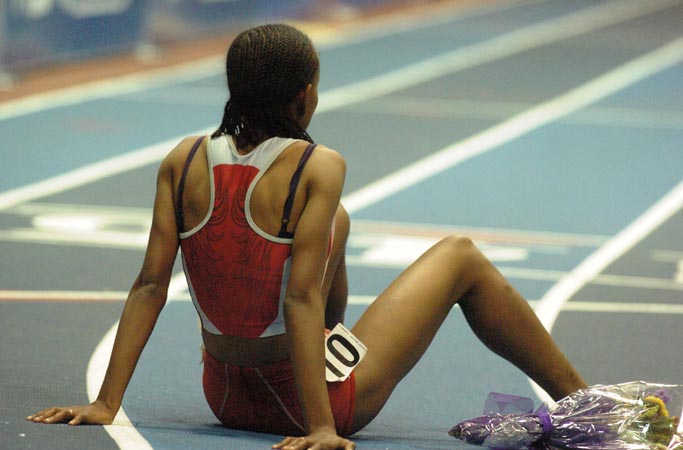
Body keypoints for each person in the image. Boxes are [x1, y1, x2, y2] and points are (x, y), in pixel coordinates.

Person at [27, 24, 586, 450]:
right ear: (305, 95)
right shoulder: (317, 166)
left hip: (223, 397)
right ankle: (589, 407)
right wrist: (322, 426)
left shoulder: (184, 158)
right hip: (307, 404)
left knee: (333, 220)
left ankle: (332, 356)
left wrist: (106, 402)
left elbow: (150, 284)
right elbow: (300, 298)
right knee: (461, 257)